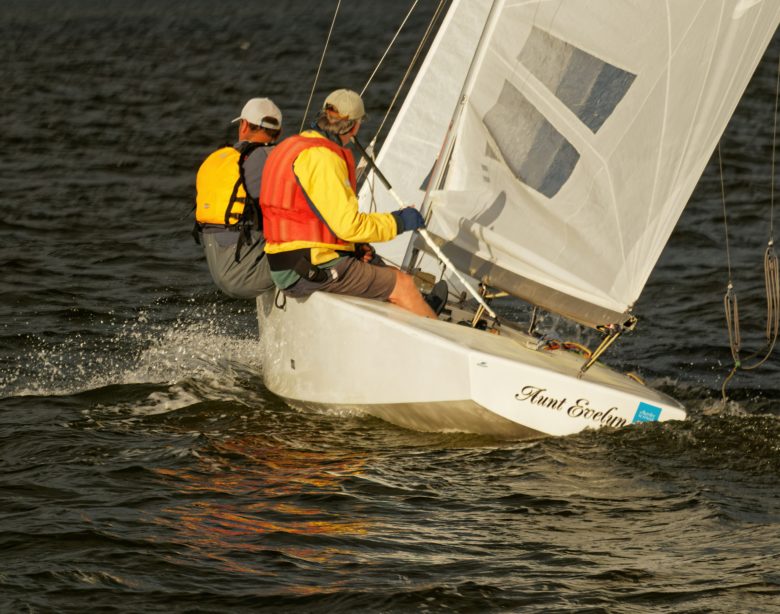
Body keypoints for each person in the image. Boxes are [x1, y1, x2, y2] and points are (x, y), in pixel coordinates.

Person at [259, 89, 436, 318]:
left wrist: (352, 247)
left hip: (286, 263)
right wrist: (399, 221)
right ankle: (448, 344)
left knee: (385, 271)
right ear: (354, 127)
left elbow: (308, 212)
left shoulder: (290, 146)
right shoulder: (323, 158)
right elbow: (349, 226)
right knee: (403, 284)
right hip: (308, 269)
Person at [194, 97, 282, 299]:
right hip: (248, 275)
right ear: (279, 132)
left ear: (243, 125)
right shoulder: (274, 158)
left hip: (219, 271)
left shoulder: (223, 159)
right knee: (323, 253)